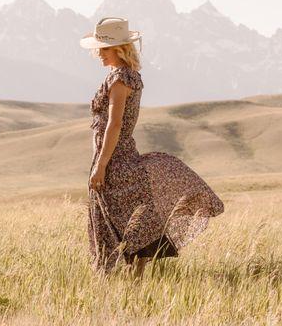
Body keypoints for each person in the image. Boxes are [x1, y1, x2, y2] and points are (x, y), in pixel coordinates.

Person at [80, 17, 225, 278]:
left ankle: (109, 282)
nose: (98, 54)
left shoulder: (119, 79)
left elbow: (114, 125)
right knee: (132, 220)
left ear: (119, 48)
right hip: (117, 155)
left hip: (115, 159)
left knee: (109, 221)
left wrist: (101, 165)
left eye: (104, 48)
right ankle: (134, 283)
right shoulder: (129, 76)